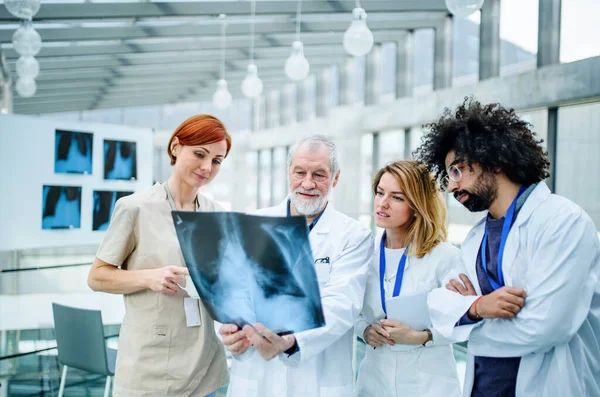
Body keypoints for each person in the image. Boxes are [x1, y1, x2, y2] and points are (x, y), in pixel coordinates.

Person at [414, 98, 600, 397]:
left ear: (494, 160)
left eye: (458, 170)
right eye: (448, 175)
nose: (450, 186)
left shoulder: (563, 222)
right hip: (484, 386)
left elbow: (544, 328)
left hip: (547, 385)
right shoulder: (476, 237)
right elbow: (439, 305)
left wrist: (467, 323)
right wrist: (477, 307)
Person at [87, 114, 232, 397]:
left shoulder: (217, 214)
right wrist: (149, 278)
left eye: (216, 160)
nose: (207, 167)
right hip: (149, 367)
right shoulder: (135, 208)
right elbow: (97, 276)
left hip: (205, 366)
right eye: (199, 154)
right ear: (176, 147)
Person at [219, 135, 373, 397]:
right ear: (288, 172)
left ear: (335, 178)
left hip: (317, 379)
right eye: (300, 172)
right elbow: (227, 292)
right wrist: (229, 331)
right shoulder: (251, 225)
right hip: (256, 377)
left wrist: (291, 341)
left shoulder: (353, 235)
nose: (307, 183)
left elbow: (342, 303)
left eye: (319, 174)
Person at [354, 160, 462, 397]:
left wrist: (420, 337)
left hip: (428, 387)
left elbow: (464, 323)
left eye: (397, 197)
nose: (383, 203)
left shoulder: (444, 257)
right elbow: (353, 311)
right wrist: (365, 331)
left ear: (416, 205)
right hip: (374, 383)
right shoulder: (362, 254)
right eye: (380, 192)